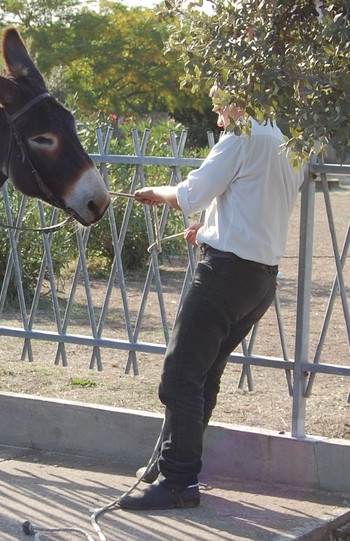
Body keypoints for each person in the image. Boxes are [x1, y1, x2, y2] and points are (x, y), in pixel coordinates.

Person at [119, 84, 302, 511]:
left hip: (224, 277)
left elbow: (191, 195)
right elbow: (254, 208)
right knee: (202, 375)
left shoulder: (241, 136)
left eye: (221, 105)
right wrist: (208, 233)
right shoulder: (282, 140)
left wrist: (156, 193)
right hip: (259, 280)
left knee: (180, 375)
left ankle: (180, 480)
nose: (219, 117)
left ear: (242, 99)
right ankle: (171, 468)